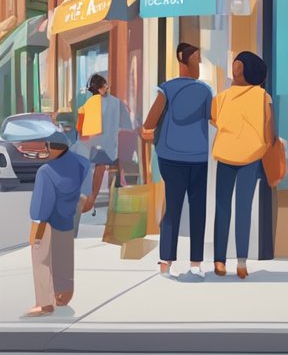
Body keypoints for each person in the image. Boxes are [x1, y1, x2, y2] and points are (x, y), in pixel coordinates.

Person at [141, 43, 213, 280]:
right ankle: (195, 264)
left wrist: (155, 135)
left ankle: (166, 263)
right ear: (184, 60)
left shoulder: (167, 89)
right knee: (198, 209)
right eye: (197, 59)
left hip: (171, 156)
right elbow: (214, 120)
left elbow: (148, 124)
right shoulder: (205, 91)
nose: (199, 64)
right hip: (199, 157)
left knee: (172, 209)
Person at [211, 51, 275, 279]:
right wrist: (267, 145)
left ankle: (219, 261)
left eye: (237, 63)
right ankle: (241, 262)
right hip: (251, 156)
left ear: (241, 69)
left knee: (222, 207)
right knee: (244, 208)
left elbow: (214, 119)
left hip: (226, 156)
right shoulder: (262, 96)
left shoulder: (221, 97)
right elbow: (269, 127)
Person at [25, 129, 88, 317]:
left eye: (47, 146)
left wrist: (36, 224)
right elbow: (85, 184)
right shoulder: (79, 163)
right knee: (64, 257)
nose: (45, 149)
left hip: (48, 222)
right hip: (67, 218)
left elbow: (42, 203)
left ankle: (45, 304)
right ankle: (64, 294)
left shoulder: (46, 171)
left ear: (53, 147)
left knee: (42, 259)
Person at [79, 74, 132, 215]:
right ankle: (105, 200)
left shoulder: (88, 104)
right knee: (106, 166)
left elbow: (81, 127)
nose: (107, 87)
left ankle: (92, 198)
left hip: (96, 144)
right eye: (105, 85)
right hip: (113, 145)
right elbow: (127, 124)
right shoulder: (115, 102)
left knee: (101, 166)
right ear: (102, 88)